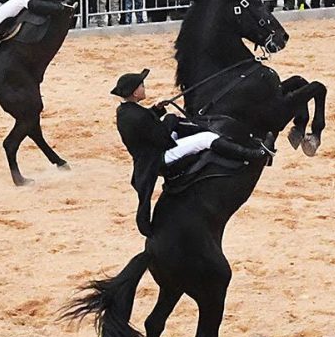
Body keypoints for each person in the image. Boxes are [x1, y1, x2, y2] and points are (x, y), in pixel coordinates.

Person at [112, 68, 267, 235]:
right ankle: (252, 154)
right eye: (142, 85)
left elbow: (146, 124)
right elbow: (161, 137)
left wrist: (158, 110)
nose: (144, 88)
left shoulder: (126, 111)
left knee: (183, 126)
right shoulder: (137, 116)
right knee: (205, 138)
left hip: (152, 150)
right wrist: (170, 120)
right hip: (160, 156)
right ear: (135, 93)